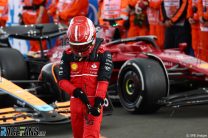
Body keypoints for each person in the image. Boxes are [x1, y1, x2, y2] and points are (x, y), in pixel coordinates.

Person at [58, 16, 113, 138]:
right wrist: (76, 92)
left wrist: (98, 103)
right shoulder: (67, 55)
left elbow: (103, 81)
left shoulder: (103, 54)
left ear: (92, 39)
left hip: (93, 104)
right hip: (75, 104)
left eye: (82, 47)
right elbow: (62, 81)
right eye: (76, 47)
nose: (78, 51)